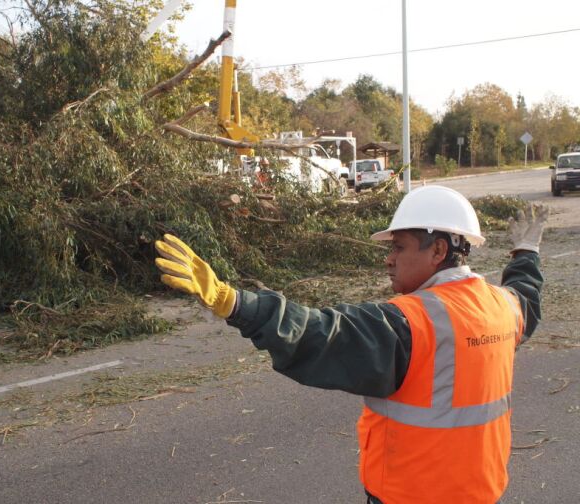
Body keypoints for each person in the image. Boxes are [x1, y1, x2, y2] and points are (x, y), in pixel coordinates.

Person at [154, 185, 547, 504]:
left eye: (400, 247)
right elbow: (525, 296)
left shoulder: (409, 322)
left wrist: (233, 302)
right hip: (483, 493)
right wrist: (526, 254)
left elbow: (321, 332)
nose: (389, 259)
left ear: (439, 251)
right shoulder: (502, 306)